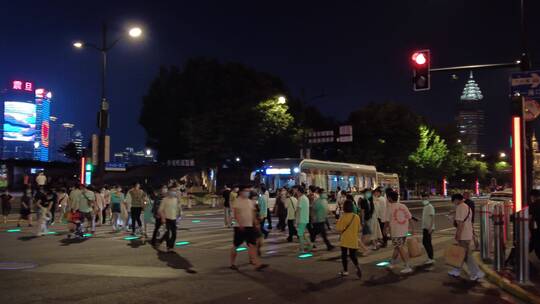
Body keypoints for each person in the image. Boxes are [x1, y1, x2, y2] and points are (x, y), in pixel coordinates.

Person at [229, 185, 268, 271]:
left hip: (250, 226)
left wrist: (256, 223)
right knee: (236, 245)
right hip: (239, 227)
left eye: (248, 191)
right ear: (241, 191)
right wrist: (240, 224)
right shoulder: (237, 201)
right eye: (246, 191)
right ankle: (232, 263)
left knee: (252, 245)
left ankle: (257, 264)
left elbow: (252, 213)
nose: (247, 192)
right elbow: (235, 214)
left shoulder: (250, 202)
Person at [448, 193, 485, 281]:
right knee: (462, 254)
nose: (454, 203)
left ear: (457, 199)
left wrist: (458, 235)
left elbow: (460, 224)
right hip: (467, 233)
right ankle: (457, 270)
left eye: (454, 201)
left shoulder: (461, 207)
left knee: (466, 255)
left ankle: (476, 273)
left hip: (464, 235)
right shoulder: (466, 206)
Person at [384, 190, 413, 274]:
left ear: (389, 198)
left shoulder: (389, 208)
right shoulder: (403, 206)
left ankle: (407, 266)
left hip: (396, 232)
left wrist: (384, 230)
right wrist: (412, 228)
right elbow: (409, 217)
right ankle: (392, 263)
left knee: (400, 248)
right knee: (397, 247)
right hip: (404, 231)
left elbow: (386, 221)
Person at [336, 199, 362, 278]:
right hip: (353, 239)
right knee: (352, 255)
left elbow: (338, 228)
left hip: (345, 240)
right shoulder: (356, 216)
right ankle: (357, 266)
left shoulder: (343, 217)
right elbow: (359, 228)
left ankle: (345, 271)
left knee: (344, 255)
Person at [158, 186, 182, 252]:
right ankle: (169, 247)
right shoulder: (165, 199)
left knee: (174, 234)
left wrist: (178, 216)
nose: (174, 192)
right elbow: (160, 210)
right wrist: (163, 218)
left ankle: (168, 244)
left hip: (173, 219)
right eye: (172, 191)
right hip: (166, 219)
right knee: (167, 233)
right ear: (169, 191)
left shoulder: (176, 200)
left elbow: (178, 208)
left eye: (175, 191)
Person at [293, 185, 312, 253]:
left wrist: (296, 220)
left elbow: (298, 210)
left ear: (298, 190)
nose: (294, 191)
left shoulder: (300, 198)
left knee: (300, 234)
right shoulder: (306, 198)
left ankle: (302, 249)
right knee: (303, 233)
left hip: (301, 219)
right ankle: (310, 245)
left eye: (295, 189)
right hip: (305, 218)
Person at [421, 193, 435, 265]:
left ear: (428, 198)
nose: (424, 200)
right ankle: (430, 257)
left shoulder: (430, 206)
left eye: (425, 198)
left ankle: (431, 258)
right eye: (423, 199)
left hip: (428, 228)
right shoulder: (425, 206)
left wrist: (430, 228)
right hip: (425, 227)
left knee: (427, 243)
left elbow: (432, 218)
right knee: (426, 242)